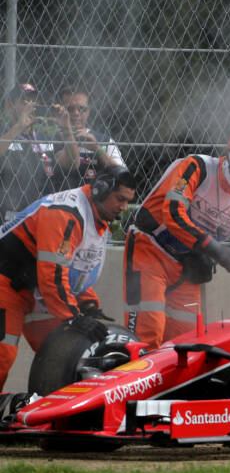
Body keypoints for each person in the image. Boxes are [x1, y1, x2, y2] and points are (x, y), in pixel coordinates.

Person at [123, 128, 230, 349]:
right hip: (149, 249)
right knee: (148, 333)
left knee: (185, 342)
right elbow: (173, 212)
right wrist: (212, 247)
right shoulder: (197, 168)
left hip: (187, 266)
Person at [0, 164, 136, 389]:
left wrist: (89, 305)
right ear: (100, 190)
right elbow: (52, 274)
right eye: (120, 199)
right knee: (2, 356)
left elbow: (77, 269)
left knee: (64, 354)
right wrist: (74, 316)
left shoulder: (96, 217)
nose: (124, 207)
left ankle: (50, 415)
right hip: (7, 283)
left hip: (38, 292)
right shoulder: (65, 213)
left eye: (127, 201)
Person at [0, 83, 80, 222]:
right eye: (25, 102)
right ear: (10, 105)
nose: (32, 106)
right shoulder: (4, 134)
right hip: (9, 218)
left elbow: (73, 163)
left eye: (34, 101)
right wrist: (19, 126)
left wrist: (66, 128)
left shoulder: (44, 138)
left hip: (42, 217)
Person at [54, 85, 126, 189]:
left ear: (88, 111)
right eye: (69, 109)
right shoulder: (53, 140)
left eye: (82, 109)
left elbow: (123, 176)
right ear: (61, 110)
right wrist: (67, 131)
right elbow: (71, 164)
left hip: (96, 202)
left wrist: (98, 149)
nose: (76, 113)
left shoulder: (104, 140)